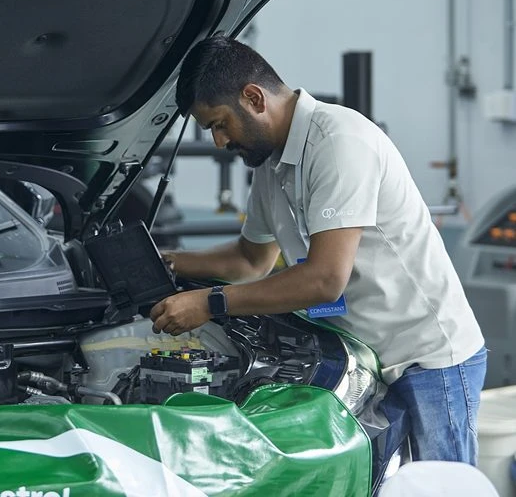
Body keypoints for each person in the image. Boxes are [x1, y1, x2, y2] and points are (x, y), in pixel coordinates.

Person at [151, 35, 486, 464]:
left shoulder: (339, 141)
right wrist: (168, 262)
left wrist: (210, 302)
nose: (218, 141)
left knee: (441, 487)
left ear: (254, 98)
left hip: (425, 358)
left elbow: (326, 280)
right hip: (362, 355)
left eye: (220, 124)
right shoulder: (271, 164)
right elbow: (250, 260)